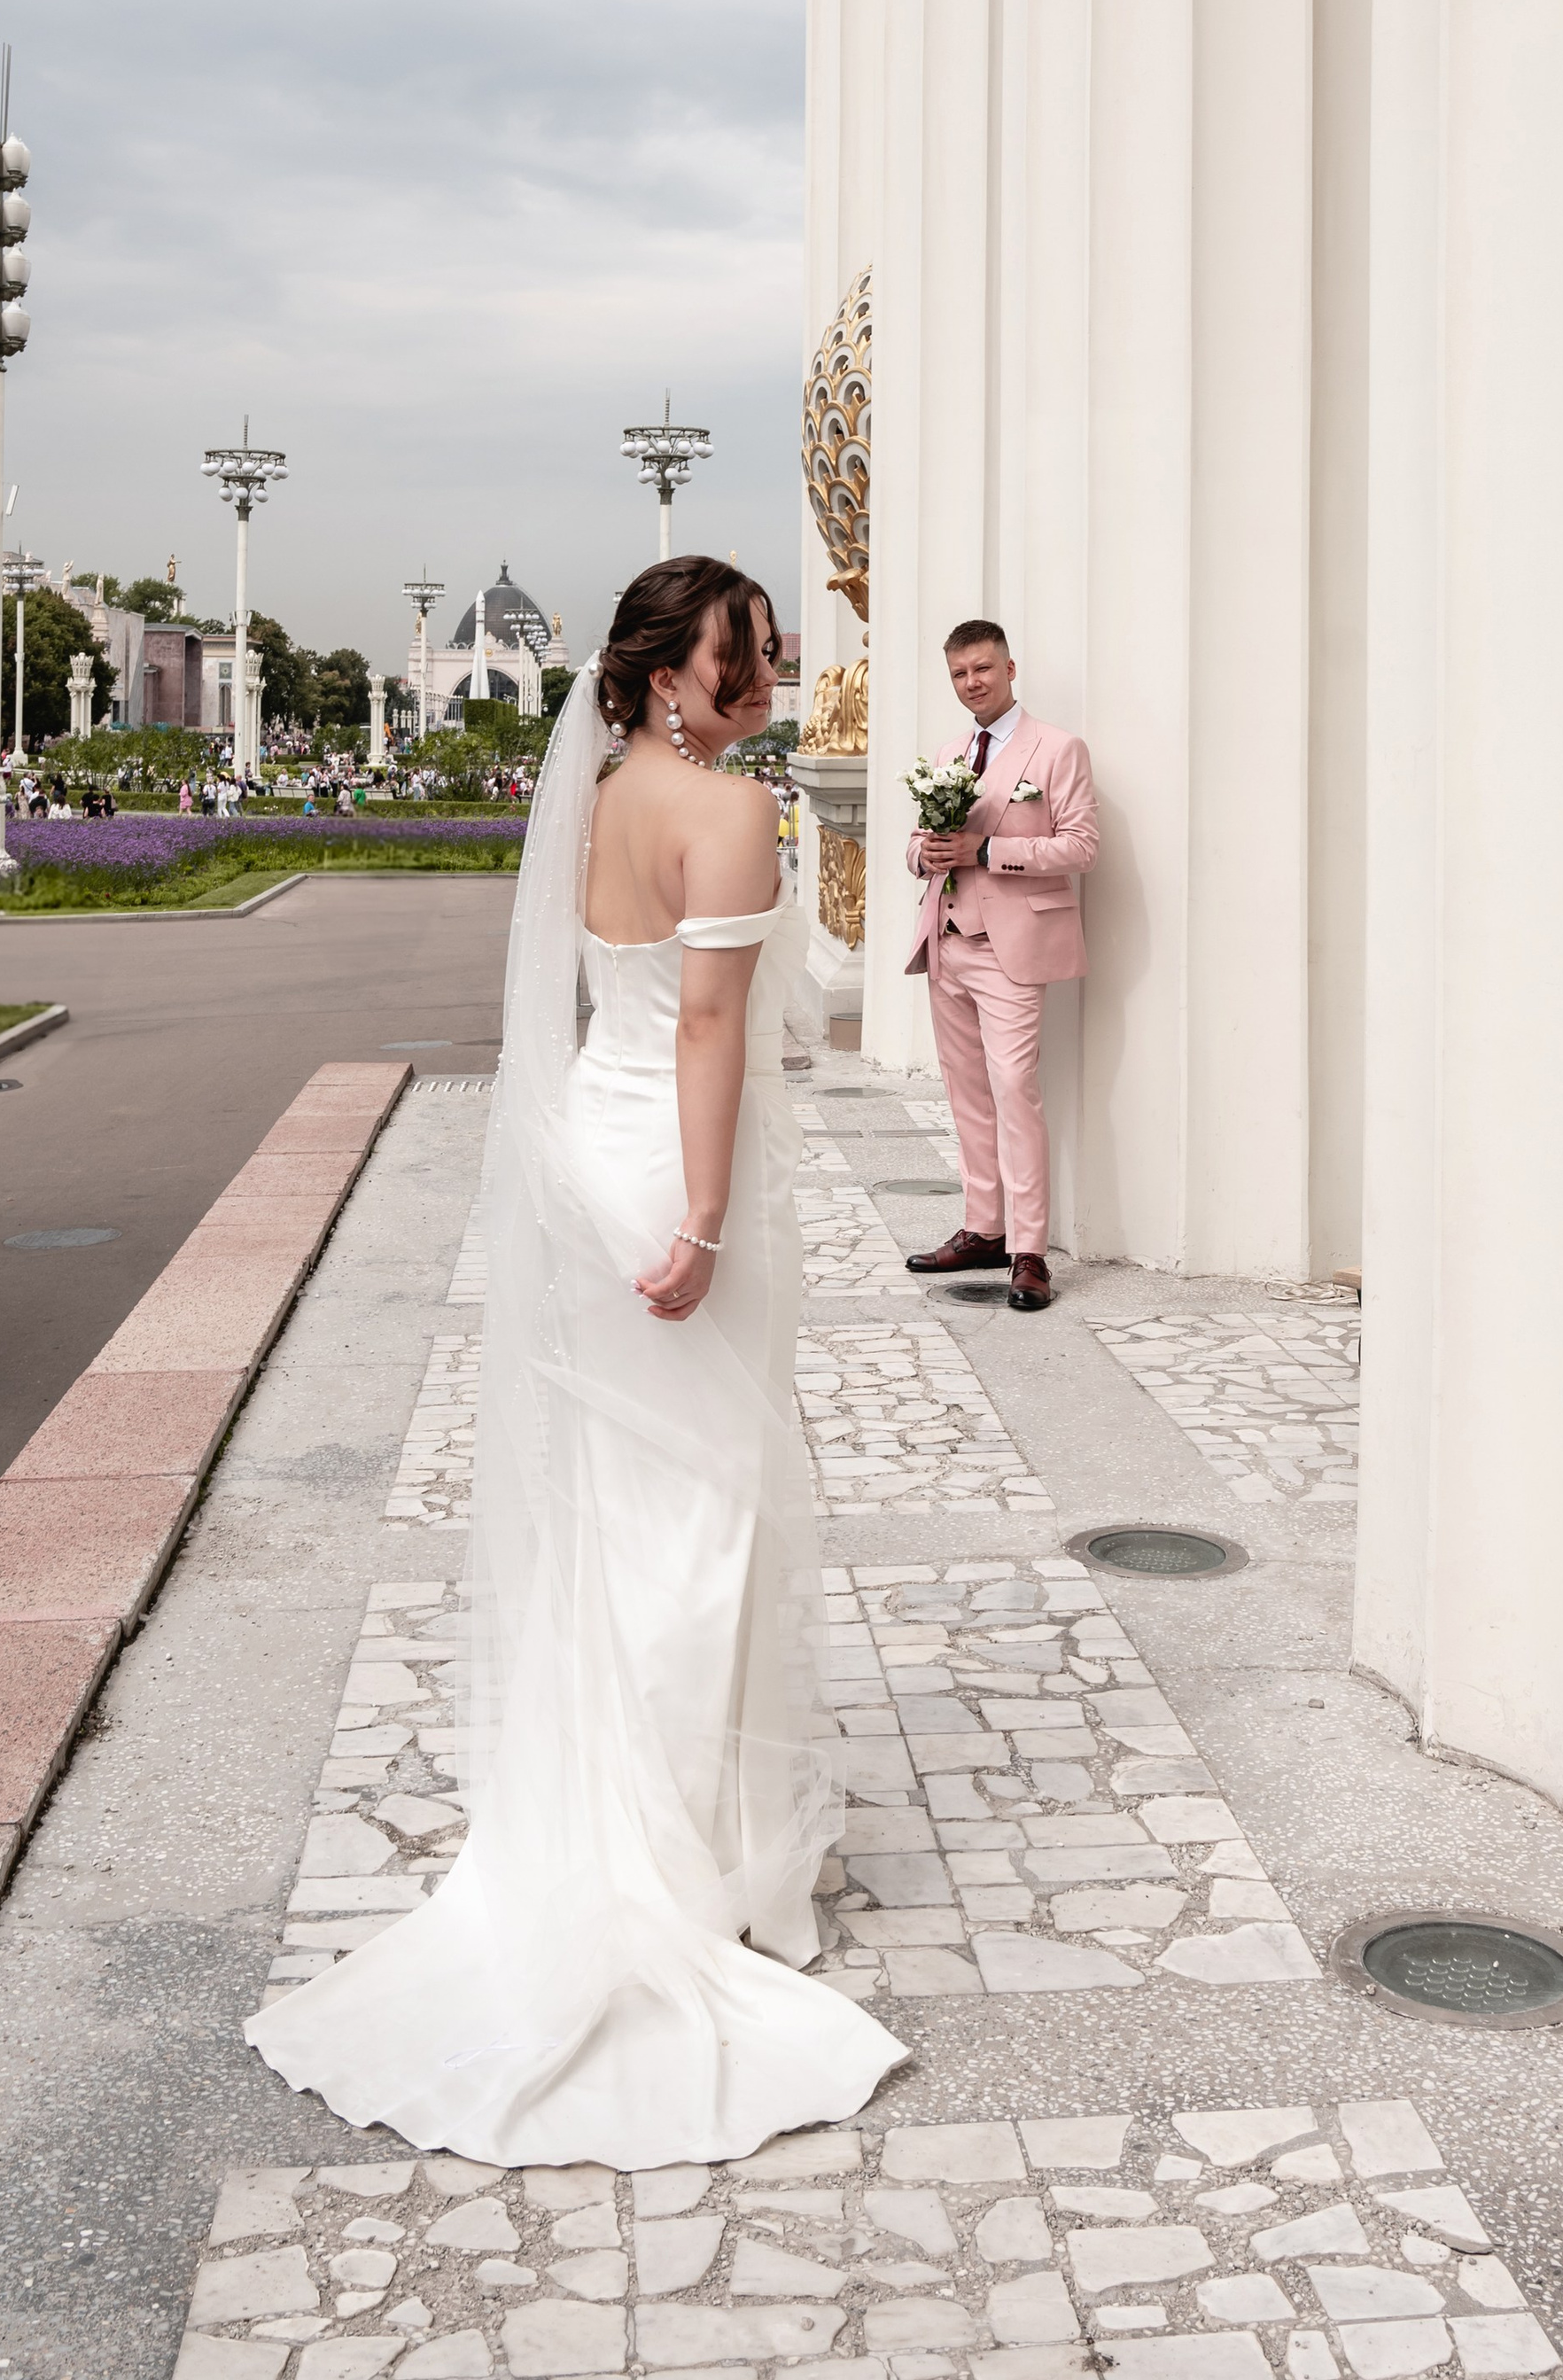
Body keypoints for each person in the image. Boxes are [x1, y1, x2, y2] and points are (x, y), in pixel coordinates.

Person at [246, 552, 903, 2164]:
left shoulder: (605, 789)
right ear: (672, 670)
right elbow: (705, 1029)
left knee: (629, 1500)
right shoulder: (729, 809)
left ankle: (628, 1819)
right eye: (744, 654)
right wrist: (699, 1215)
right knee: (703, 1504)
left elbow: (584, 1005)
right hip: (674, 1166)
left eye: (764, 650)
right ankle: (681, 1860)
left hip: (589, 1145)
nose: (767, 678)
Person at [902, 618, 1099, 1313]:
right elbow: (918, 845)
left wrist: (988, 852)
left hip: (1011, 949)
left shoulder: (1057, 748)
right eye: (959, 674)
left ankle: (1030, 1252)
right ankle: (984, 1228)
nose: (971, 683)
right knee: (966, 1092)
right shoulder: (951, 750)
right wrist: (924, 854)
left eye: (982, 669)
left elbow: (1081, 846)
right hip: (947, 942)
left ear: (1010, 669)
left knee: (1015, 1088)